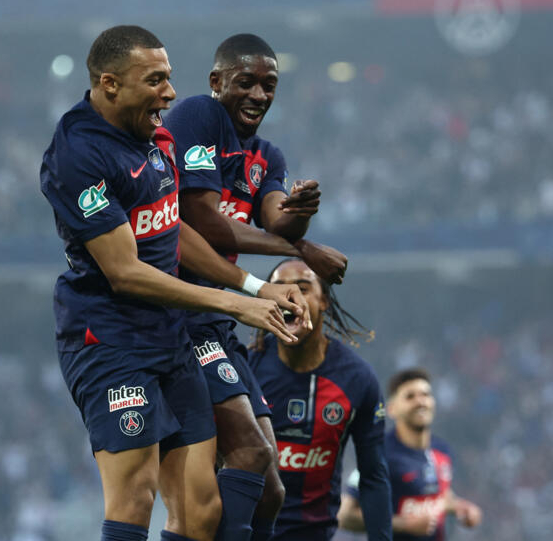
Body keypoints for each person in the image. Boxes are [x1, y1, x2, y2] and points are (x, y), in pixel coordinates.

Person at [38, 25, 309, 541]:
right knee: (135, 495)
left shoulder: (154, 132)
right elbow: (125, 271)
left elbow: (170, 227)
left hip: (172, 335)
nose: (168, 93)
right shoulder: (78, 157)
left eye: (169, 79)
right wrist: (235, 304)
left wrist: (255, 288)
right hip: (110, 338)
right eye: (156, 80)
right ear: (110, 83)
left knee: (202, 511)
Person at [163, 33, 349, 541]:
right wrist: (304, 251)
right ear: (217, 82)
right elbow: (204, 220)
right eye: (246, 83)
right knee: (246, 456)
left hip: (220, 318)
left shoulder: (267, 154)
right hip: (180, 312)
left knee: (271, 490)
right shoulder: (199, 116)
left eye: (269, 85)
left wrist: (299, 215)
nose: (259, 95)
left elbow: (274, 219)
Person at [248, 259, 392, 541]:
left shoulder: (357, 379)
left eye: (303, 288)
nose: (288, 299)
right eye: (277, 289)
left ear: (324, 300)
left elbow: (373, 476)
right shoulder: (246, 369)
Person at [337, 369, 483, 541]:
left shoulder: (442, 450)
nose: (420, 401)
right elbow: (344, 516)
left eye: (425, 394)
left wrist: (459, 507)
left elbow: (439, 494)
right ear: (392, 409)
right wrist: (402, 524)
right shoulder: (379, 455)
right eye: (410, 397)